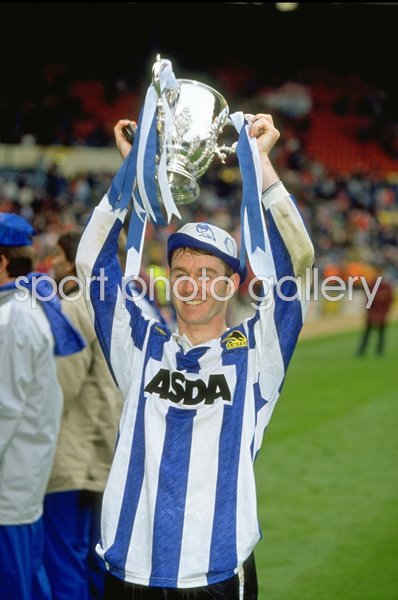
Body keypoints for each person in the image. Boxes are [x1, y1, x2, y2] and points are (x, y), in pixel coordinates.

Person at [75, 113, 315, 599]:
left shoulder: (255, 353)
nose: (194, 284)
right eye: (182, 271)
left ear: (230, 285)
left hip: (217, 574)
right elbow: (91, 263)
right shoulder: (141, 346)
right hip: (131, 572)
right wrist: (133, 175)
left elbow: (297, 264)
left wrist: (262, 164)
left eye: (210, 273)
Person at [0, 213, 85, 600]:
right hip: (23, 479)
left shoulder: (14, 315)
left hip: (10, 488)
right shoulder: (25, 305)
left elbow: (4, 408)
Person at [42, 229, 124, 600]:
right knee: (96, 560)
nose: (52, 264)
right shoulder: (123, 305)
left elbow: (61, 386)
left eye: (58, 256)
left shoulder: (77, 306)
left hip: (75, 455)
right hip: (109, 454)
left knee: (65, 559)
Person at [356, 265, 394, 356]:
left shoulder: (385, 285)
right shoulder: (373, 284)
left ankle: (379, 351)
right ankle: (362, 351)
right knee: (367, 333)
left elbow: (389, 299)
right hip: (373, 312)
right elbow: (368, 297)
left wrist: (385, 311)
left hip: (381, 312)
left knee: (380, 333)